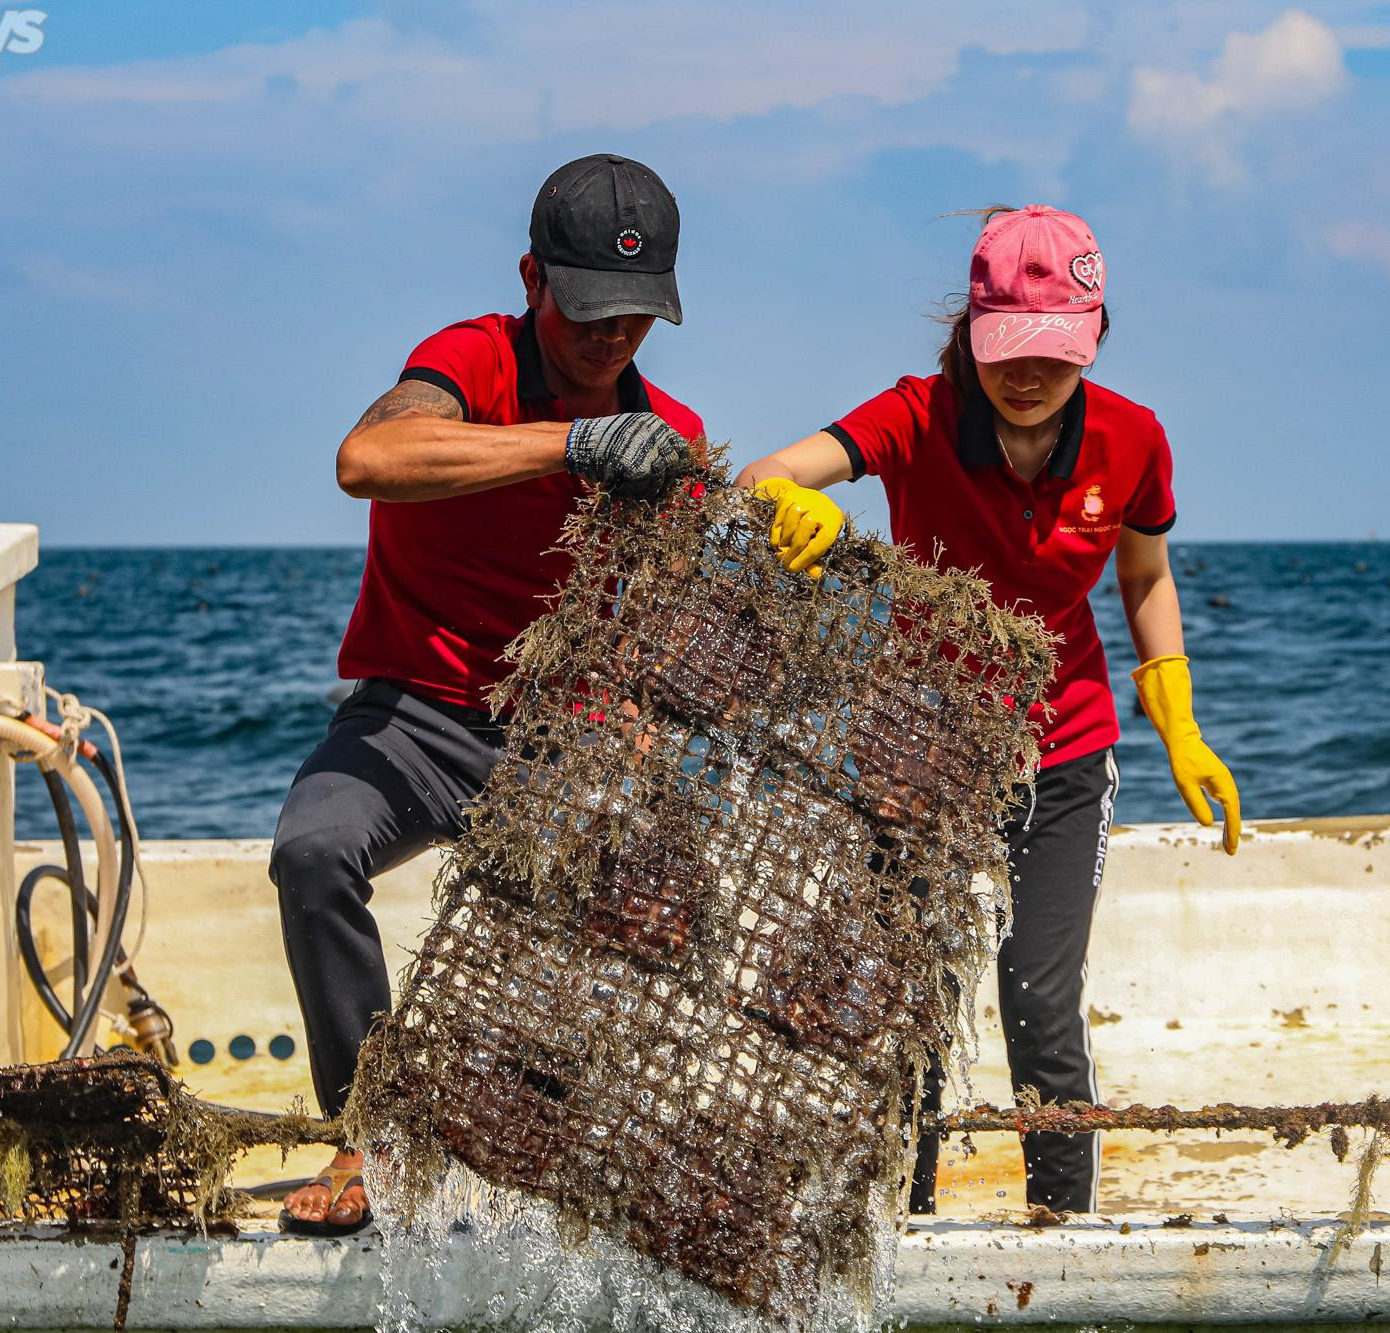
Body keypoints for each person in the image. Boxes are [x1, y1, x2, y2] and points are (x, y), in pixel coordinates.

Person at [736, 204, 1240, 1215]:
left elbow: (1144, 575)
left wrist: (1178, 723)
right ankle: (901, 1220)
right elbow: (765, 474)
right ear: (971, 330)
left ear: (1094, 334)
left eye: (1053, 352)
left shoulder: (1133, 439)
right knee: (904, 995)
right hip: (916, 746)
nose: (1027, 374)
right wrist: (794, 501)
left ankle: (1063, 1226)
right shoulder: (915, 414)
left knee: (1039, 1000)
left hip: (1066, 749)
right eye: (1007, 347)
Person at [269, 154, 704, 1235]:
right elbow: (368, 457)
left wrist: (640, 724)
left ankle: (571, 1147)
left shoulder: (669, 434)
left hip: (565, 737)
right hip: (413, 718)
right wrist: (571, 444)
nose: (612, 335)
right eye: (588, 308)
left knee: (662, 906)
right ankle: (369, 1135)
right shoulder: (471, 360)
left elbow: (665, 622)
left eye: (635, 315)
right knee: (312, 852)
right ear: (531, 278)